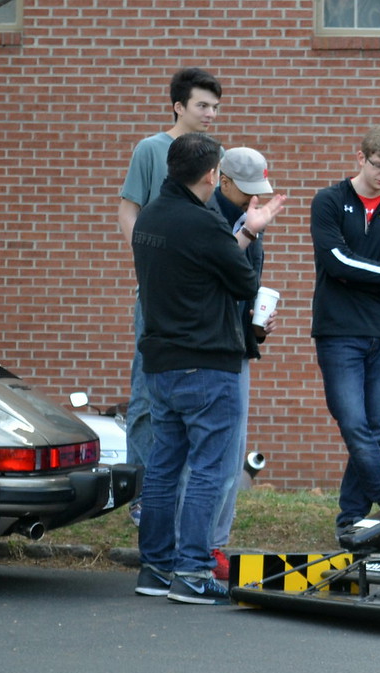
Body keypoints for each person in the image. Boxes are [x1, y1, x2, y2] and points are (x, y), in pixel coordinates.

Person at [130, 132, 286, 605]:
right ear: (210, 175)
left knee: (162, 467)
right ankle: (193, 571)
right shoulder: (203, 223)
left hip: (161, 363)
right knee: (206, 470)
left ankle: (155, 568)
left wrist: (240, 232)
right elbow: (243, 281)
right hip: (207, 362)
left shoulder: (151, 217)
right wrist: (251, 230)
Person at [117, 67, 223, 526]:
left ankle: (176, 499)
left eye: (215, 107)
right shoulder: (150, 149)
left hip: (198, 299)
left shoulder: (211, 155)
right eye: (202, 105)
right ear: (178, 106)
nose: (210, 114)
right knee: (146, 394)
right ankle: (143, 497)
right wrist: (147, 259)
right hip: (156, 294)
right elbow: (128, 208)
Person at [310, 127, 380, 535]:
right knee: (354, 424)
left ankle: (351, 519)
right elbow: (336, 262)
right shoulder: (329, 200)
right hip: (339, 331)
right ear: (360, 157)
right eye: (379, 165)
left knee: (376, 429)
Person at [207, 146, 275, 578]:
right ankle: (199, 547)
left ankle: (214, 543)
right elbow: (214, 273)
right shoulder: (207, 218)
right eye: (245, 191)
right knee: (208, 456)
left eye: (260, 192)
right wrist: (247, 233)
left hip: (238, 339)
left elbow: (247, 280)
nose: (254, 199)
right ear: (223, 181)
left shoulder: (250, 215)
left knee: (232, 452)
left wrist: (257, 322)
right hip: (208, 345)